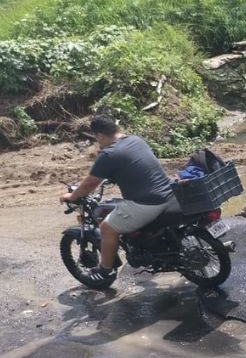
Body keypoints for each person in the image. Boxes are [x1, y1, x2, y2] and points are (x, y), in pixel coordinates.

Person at [59, 116, 175, 283]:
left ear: (99, 136)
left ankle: (105, 271)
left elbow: (91, 183)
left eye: (96, 139)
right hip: (167, 194)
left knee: (107, 227)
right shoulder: (136, 140)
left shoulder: (109, 154)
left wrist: (72, 196)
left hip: (147, 203)